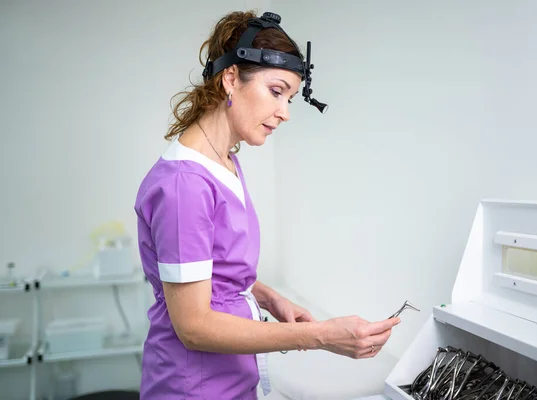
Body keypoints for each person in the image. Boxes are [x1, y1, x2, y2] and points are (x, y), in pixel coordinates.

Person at [134, 10, 400, 400]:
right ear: (230, 79)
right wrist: (320, 336)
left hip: (233, 378)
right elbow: (193, 326)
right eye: (276, 91)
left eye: (291, 98)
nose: (285, 113)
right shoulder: (184, 184)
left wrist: (268, 296)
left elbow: (213, 262)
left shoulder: (224, 160)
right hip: (194, 387)